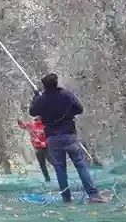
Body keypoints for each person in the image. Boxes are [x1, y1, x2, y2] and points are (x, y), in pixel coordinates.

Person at [29, 73, 106, 204]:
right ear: (56, 82)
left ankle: (66, 199)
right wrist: (69, 114)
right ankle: (93, 195)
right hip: (69, 134)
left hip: (52, 138)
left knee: (59, 168)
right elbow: (79, 109)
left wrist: (36, 97)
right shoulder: (66, 94)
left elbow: (32, 112)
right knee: (80, 165)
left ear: (44, 85)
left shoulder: (41, 99)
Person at [17, 116, 54, 182]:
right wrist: (18, 119)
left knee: (52, 161)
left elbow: (51, 136)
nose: (38, 118)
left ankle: (61, 174)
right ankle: (47, 179)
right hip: (38, 148)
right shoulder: (31, 124)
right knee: (42, 165)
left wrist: (45, 143)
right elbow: (22, 125)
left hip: (47, 147)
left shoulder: (46, 124)